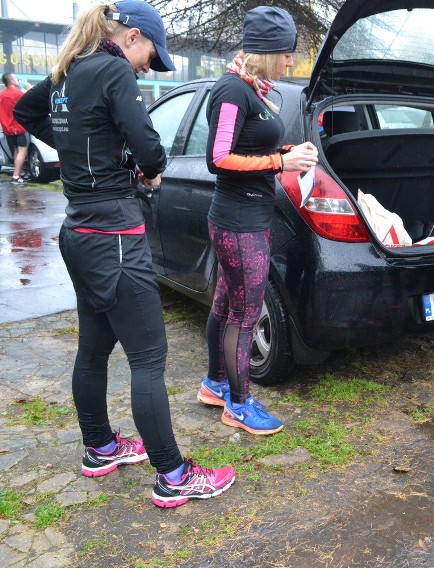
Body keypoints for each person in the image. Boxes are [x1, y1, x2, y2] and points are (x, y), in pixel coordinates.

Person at [14, 0, 235, 508]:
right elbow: (152, 152)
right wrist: (126, 157)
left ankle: (100, 447)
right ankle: (174, 475)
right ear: (132, 36)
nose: (146, 68)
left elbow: (29, 113)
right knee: (149, 358)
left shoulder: (69, 70)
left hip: (80, 233)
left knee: (93, 349)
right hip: (114, 235)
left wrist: (83, 146)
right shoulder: (112, 69)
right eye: (150, 57)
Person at [195, 6, 318, 434]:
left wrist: (286, 154)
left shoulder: (253, 89)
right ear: (267, 51)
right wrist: (278, 163)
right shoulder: (232, 90)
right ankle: (239, 404)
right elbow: (219, 157)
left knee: (227, 305)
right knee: (245, 315)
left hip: (244, 217)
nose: (290, 61)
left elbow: (246, 147)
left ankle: (215, 385)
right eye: (286, 54)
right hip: (239, 222)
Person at [0, 73, 31, 184]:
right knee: (22, 151)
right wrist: (28, 89)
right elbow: (32, 98)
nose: (18, 80)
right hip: (20, 127)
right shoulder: (19, 94)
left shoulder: (1, 95)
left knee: (15, 150)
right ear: (12, 81)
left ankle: (20, 172)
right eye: (16, 79)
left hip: (7, 128)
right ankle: (16, 176)